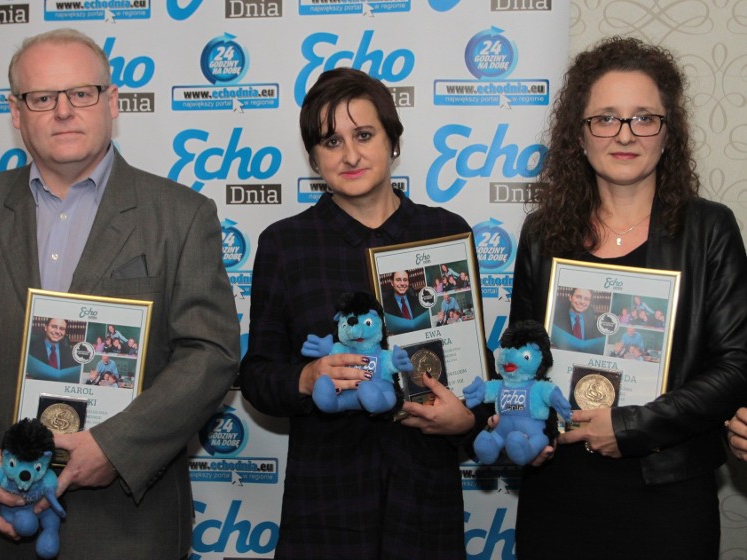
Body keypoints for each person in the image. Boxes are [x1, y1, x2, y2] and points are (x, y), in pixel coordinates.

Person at [0, 28, 239, 559]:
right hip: (1, 524)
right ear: (17, 112)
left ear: (112, 103)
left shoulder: (180, 215)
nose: (63, 111)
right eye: (42, 98)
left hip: (130, 527)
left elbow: (212, 353)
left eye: (81, 93)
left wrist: (113, 447)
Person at [508, 37, 747, 559]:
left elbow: (736, 365)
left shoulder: (709, 228)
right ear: (580, 133)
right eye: (605, 118)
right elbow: (517, 354)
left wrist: (630, 427)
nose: (624, 134)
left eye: (644, 118)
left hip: (667, 492)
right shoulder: (543, 232)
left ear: (668, 133)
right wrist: (514, 412)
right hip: (559, 488)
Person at [239, 67, 479, 559]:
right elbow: (258, 375)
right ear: (313, 156)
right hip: (326, 504)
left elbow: (475, 364)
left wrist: (469, 419)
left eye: (364, 135)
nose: (350, 155)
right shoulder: (285, 244)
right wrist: (306, 378)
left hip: (425, 499)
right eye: (331, 141)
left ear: (392, 140)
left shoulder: (445, 232)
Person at [550, 287, 606, 354]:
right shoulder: (556, 315)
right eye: (578, 297)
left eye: (586, 299)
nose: (582, 302)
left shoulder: (590, 314)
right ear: (570, 297)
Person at [26, 317, 79, 382]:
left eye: (62, 329)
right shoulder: (30, 349)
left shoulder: (71, 354)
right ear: (46, 328)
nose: (57, 331)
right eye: (54, 326)